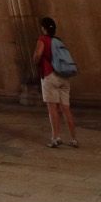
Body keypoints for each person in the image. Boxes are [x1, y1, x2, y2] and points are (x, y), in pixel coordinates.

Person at [35, 16, 79, 147]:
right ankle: (74, 138)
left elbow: (38, 55)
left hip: (50, 75)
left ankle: (56, 137)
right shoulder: (58, 41)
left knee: (52, 108)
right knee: (66, 108)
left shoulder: (42, 39)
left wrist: (35, 62)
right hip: (63, 76)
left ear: (43, 28)